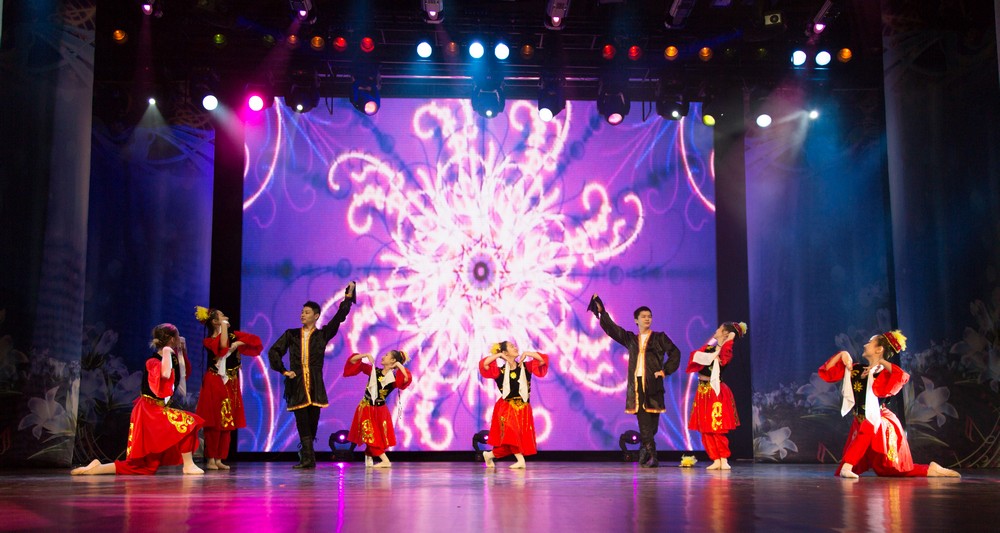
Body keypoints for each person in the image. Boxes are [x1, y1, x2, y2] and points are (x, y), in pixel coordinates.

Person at [817, 330, 961, 479]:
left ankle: (847, 466)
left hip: (880, 420)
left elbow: (900, 377)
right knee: (886, 470)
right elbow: (827, 372)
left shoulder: (884, 374)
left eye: (870, 343)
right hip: (861, 420)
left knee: (869, 425)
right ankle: (930, 470)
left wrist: (882, 363)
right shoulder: (856, 370)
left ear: (879, 349)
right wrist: (842, 354)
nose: (865, 344)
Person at [71, 323, 204, 475]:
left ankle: (99, 468)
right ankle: (188, 465)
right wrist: (168, 351)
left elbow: (182, 374)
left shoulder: (170, 358)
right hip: (148, 411)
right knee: (188, 422)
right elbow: (166, 374)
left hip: (155, 410)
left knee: (146, 466)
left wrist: (181, 352)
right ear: (172, 339)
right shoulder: (153, 362)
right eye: (177, 337)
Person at [267, 281, 356, 469]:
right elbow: (274, 351)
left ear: (316, 316)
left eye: (307, 312)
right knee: (302, 420)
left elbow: (338, 318)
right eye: (302, 312)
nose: (303, 315)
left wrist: (348, 298)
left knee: (312, 421)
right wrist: (284, 370)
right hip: (297, 383)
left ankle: (306, 455)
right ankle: (309, 458)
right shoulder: (291, 335)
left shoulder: (322, 335)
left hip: (315, 383)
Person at [588, 294, 681, 467]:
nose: (647, 319)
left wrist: (665, 370)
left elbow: (675, 353)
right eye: (643, 316)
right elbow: (614, 330)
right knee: (644, 421)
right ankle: (653, 456)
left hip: (654, 384)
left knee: (652, 426)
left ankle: (644, 452)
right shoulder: (631, 339)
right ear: (636, 320)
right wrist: (602, 312)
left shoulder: (659, 338)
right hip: (637, 385)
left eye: (649, 316)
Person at [194, 306, 263, 470]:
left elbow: (256, 342)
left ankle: (219, 458)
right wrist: (224, 327)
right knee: (214, 421)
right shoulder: (208, 341)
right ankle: (211, 458)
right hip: (215, 380)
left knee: (227, 421)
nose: (226, 317)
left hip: (231, 381)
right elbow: (223, 346)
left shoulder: (234, 336)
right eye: (222, 316)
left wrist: (238, 343)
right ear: (214, 322)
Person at [478, 341, 549, 469]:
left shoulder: (526, 367)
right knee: (512, 433)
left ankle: (489, 455)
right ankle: (521, 460)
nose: (515, 347)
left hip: (523, 408)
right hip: (506, 408)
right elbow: (484, 364)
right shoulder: (499, 371)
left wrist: (528, 353)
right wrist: (499, 355)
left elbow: (543, 360)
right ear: (505, 352)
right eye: (511, 347)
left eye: (514, 346)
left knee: (513, 440)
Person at [687, 322, 746, 470]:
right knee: (705, 427)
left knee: (717, 426)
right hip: (703, 391)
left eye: (719, 329)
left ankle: (723, 458)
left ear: (725, 333)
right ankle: (715, 458)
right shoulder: (708, 349)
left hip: (715, 391)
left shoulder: (726, 352)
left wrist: (730, 339)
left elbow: (724, 357)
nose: (716, 330)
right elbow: (695, 356)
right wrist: (715, 352)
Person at [344, 350, 412, 468]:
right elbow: (352, 361)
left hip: (380, 410)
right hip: (366, 407)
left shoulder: (394, 378)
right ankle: (376, 457)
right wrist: (365, 355)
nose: (383, 356)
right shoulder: (374, 371)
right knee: (369, 433)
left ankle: (378, 458)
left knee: (375, 435)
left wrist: (399, 365)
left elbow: (406, 379)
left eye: (386, 355)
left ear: (393, 360)